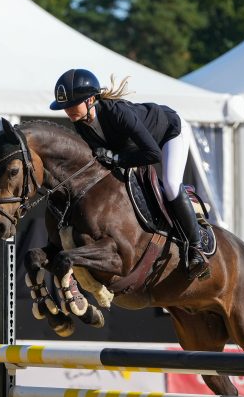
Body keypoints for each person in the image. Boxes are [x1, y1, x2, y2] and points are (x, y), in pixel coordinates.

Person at [50, 68, 209, 280]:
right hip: (135, 149)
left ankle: (196, 248)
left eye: (72, 104)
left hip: (169, 133)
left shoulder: (117, 113)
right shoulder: (81, 124)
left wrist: (116, 159)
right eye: (65, 107)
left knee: (171, 185)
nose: (68, 111)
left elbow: (152, 154)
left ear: (90, 100)